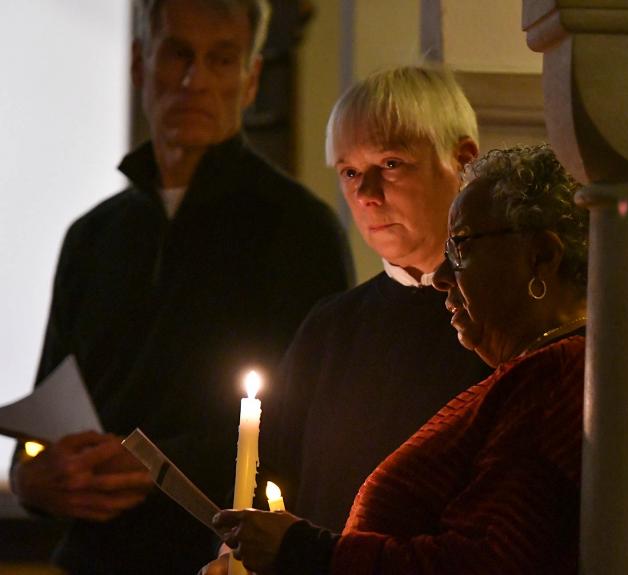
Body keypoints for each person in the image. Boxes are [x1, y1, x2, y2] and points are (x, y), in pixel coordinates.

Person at [9, 1, 352, 573]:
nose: (196, 80)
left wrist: (155, 466)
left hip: (220, 559)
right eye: (178, 54)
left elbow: (312, 427)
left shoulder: (300, 230)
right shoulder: (91, 238)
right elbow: (44, 418)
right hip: (92, 556)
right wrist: (28, 477)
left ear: (251, 80)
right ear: (141, 64)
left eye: (220, 59)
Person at [203, 144, 589, 575]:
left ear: (542, 257)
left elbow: (484, 563)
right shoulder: (536, 373)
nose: (442, 277)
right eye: (348, 171)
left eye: (460, 246)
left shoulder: (557, 378)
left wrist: (305, 551)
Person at [248, 65, 494, 533]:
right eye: (350, 171)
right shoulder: (329, 329)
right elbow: (273, 480)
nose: (366, 194)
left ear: (463, 161)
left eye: (390, 164)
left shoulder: (504, 322)